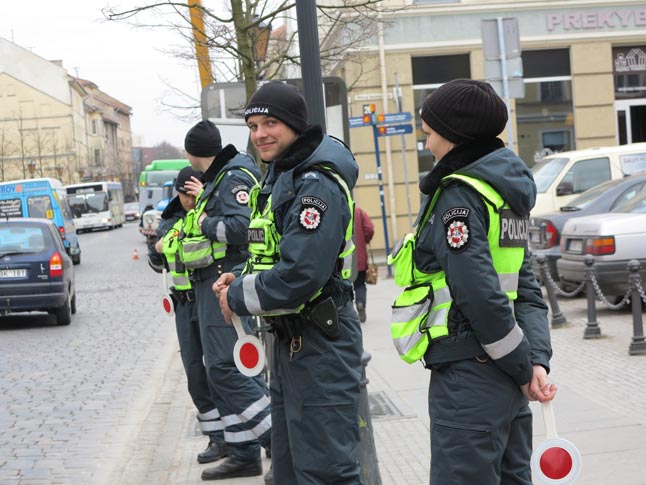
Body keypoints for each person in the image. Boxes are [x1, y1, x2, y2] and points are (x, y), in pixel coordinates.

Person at [389, 79, 557, 484]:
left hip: (470, 377)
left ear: (454, 135)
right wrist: (533, 361)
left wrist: (525, 368)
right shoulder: (503, 193)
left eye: (429, 134)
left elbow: (480, 296)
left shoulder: (459, 197)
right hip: (506, 377)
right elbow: (526, 291)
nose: (427, 144)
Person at [213, 81, 364, 484]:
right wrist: (241, 277)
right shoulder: (283, 175)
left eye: (270, 124)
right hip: (291, 343)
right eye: (253, 126)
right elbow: (277, 254)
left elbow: (301, 272)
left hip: (320, 345)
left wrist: (238, 296)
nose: (259, 134)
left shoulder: (315, 183)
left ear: (295, 125)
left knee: (325, 472)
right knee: (289, 472)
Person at [180, 120, 271, 482]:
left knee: (225, 368)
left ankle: (278, 440)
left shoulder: (232, 178)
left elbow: (243, 227)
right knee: (223, 368)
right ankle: (243, 452)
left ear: (192, 152)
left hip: (224, 280)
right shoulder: (222, 177)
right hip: (213, 281)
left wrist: (204, 221)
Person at [149, 166, 227, 465]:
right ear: (178, 193)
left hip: (212, 298)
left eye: (193, 194)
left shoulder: (211, 213)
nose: (189, 201)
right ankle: (217, 438)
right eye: (185, 195)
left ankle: (247, 435)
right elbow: (157, 262)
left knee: (224, 369)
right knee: (195, 373)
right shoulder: (171, 220)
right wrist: (157, 250)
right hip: (185, 305)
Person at [353, 205, 374, 323]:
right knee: (360, 284)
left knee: (342, 287)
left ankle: (346, 314)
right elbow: (369, 228)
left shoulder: (336, 209)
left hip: (341, 259)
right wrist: (365, 239)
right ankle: (360, 302)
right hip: (359, 257)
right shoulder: (359, 212)